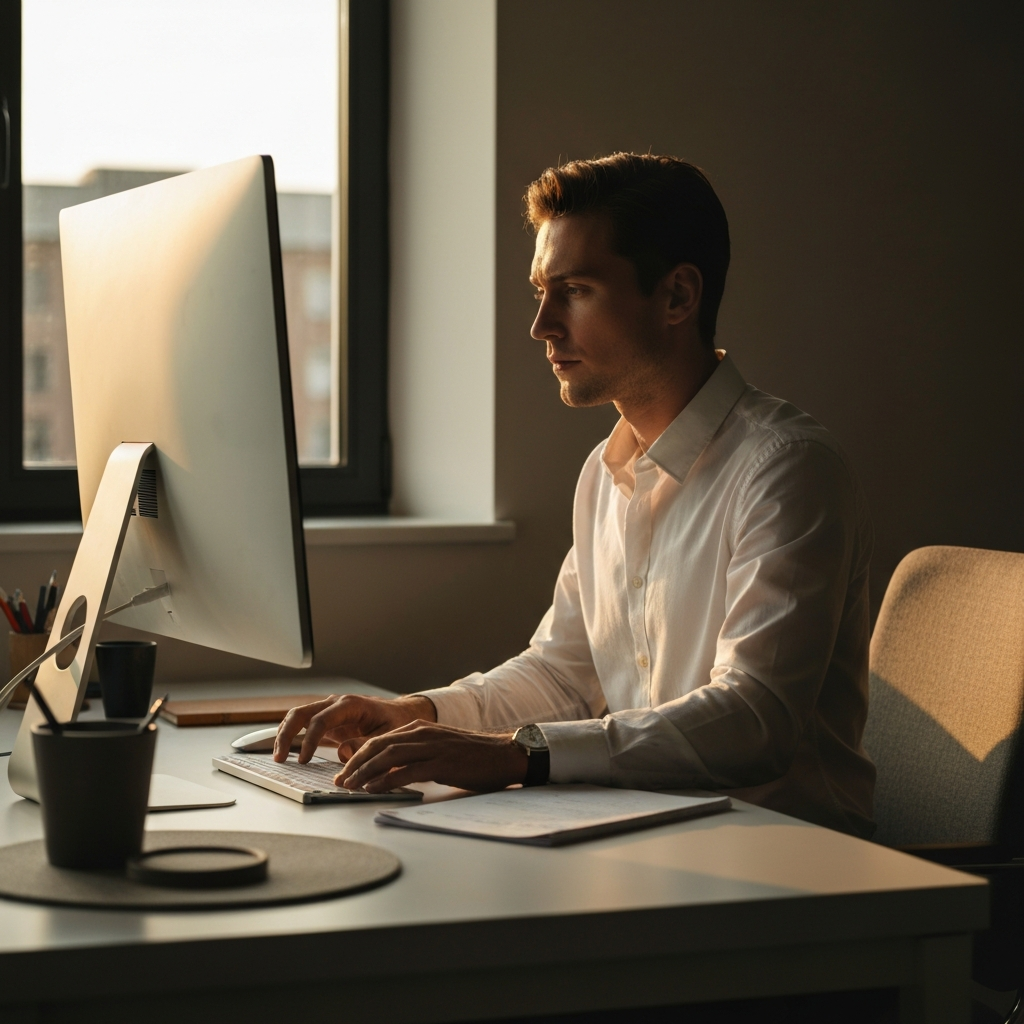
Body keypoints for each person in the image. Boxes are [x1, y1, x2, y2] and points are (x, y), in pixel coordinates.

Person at [275, 152, 875, 837]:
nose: (542, 326)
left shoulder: (788, 469)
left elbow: (754, 719)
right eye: (541, 291)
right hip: (651, 835)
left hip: (795, 866)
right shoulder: (604, 471)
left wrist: (516, 754)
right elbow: (563, 674)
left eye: (576, 290)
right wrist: (419, 713)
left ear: (678, 296)